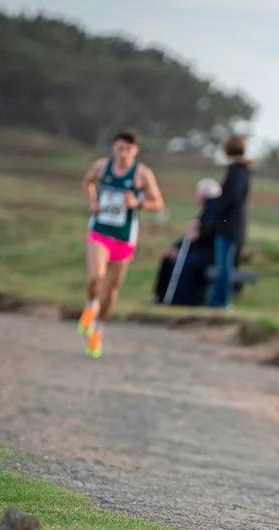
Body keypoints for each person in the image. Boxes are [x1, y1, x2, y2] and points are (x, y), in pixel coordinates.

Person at [77, 129, 165, 358]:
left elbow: (158, 204)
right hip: (100, 230)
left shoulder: (143, 175)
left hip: (125, 237)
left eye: (129, 149)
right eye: (120, 148)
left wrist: (137, 203)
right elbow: (87, 183)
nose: (124, 153)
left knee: (113, 288)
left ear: (135, 152)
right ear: (113, 148)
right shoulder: (101, 167)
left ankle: (98, 332)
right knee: (96, 276)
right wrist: (93, 202)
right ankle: (90, 305)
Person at [154, 179, 221, 306]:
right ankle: (161, 296)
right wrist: (175, 247)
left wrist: (198, 232)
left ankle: (181, 300)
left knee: (187, 263)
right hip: (196, 250)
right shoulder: (205, 212)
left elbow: (206, 237)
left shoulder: (215, 214)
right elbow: (190, 237)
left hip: (208, 254)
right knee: (168, 258)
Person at [205, 135, 252, 309]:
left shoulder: (236, 172)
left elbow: (230, 199)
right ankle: (218, 300)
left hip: (229, 226)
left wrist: (212, 204)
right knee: (226, 266)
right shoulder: (243, 171)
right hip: (235, 226)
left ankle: (220, 301)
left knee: (225, 267)